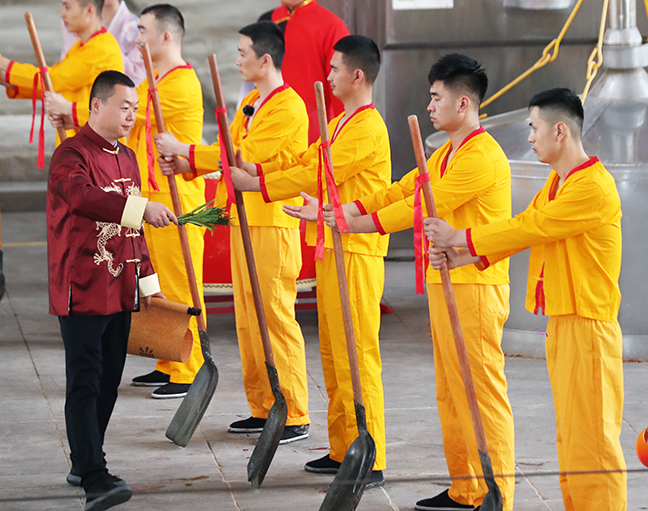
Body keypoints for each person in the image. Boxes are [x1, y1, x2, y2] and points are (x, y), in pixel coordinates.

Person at [304, 54, 516, 511]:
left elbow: (416, 207)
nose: (430, 105)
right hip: (448, 282)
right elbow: (402, 189)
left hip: (476, 288)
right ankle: (466, 489)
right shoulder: (446, 153)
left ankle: (496, 494)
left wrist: (353, 225)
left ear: (463, 103)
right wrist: (342, 211)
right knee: (451, 392)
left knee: (479, 394)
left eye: (436, 98)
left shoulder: (481, 157)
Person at [424, 88, 627, 511]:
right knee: (571, 437)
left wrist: (459, 236)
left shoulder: (591, 187)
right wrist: (463, 257)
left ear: (559, 131)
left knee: (593, 440)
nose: (530, 137)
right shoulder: (558, 183)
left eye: (534, 128)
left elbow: (531, 228)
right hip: (564, 322)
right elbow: (525, 227)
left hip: (589, 327)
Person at [229, 35, 390, 486]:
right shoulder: (340, 122)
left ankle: (370, 457)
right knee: (336, 355)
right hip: (331, 246)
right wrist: (258, 170)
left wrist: (257, 185)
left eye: (335, 68)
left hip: (356, 252)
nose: (329, 75)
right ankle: (343, 449)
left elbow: (320, 172)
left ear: (357, 75)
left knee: (357, 356)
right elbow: (305, 160)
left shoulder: (367, 127)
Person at [155, 21, 311, 444]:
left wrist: (186, 151)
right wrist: (188, 164)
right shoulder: (252, 102)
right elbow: (228, 153)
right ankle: (264, 407)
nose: (237, 60)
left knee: (274, 317)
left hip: (273, 223)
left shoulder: (288, 106)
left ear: (266, 59)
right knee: (249, 320)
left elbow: (243, 156)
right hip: (245, 220)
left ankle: (293, 412)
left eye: (243, 53)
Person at [47, 70, 176, 511]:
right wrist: (141, 208)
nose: (131, 115)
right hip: (82, 287)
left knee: (108, 382)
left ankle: (84, 461)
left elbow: (135, 232)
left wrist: (149, 283)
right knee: (84, 381)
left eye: (135, 109)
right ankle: (94, 477)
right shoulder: (71, 154)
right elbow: (84, 198)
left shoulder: (128, 157)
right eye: (124, 107)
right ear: (96, 106)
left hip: (120, 285)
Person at [119, 4, 207, 399]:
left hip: (174, 199)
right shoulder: (157, 80)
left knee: (177, 281)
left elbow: (128, 109)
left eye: (143, 31)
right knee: (154, 283)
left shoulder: (179, 83)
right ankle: (168, 358)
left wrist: (77, 112)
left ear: (166, 37)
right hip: (150, 197)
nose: (137, 38)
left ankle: (189, 368)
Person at [261, 0, 350, 286]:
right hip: (274, 132)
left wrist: (334, 134)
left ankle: (315, 281)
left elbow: (341, 88)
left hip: (314, 135)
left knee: (309, 211)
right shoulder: (269, 22)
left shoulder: (331, 25)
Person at [0, 0, 123, 139]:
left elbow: (54, 80)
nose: (62, 14)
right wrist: (5, 79)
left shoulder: (101, 49)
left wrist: (1, 62)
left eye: (67, 7)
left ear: (89, 10)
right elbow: (54, 87)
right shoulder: (84, 45)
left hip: (95, 145)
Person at [62, 0, 146, 85]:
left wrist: (104, 50)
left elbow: (138, 76)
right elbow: (67, 62)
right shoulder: (76, 20)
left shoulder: (136, 27)